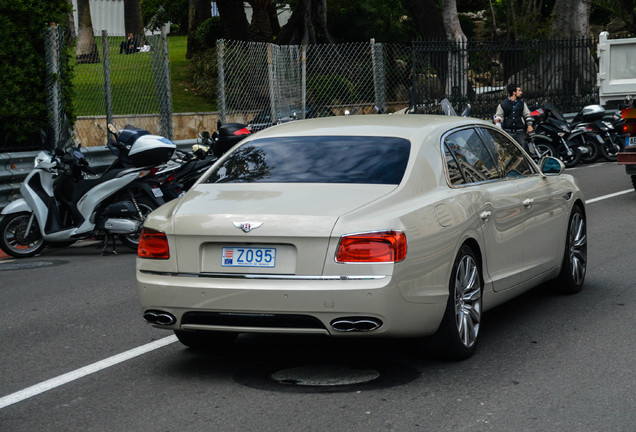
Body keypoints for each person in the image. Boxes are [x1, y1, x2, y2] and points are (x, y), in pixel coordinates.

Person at [494, 84, 534, 154]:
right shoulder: (503, 104)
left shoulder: (522, 104)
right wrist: (498, 120)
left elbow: (527, 115)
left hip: (520, 132)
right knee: (507, 152)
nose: (521, 92)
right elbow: (499, 115)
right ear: (514, 92)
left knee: (524, 149)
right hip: (508, 132)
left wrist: (529, 125)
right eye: (519, 90)